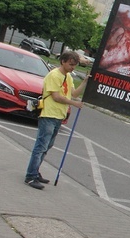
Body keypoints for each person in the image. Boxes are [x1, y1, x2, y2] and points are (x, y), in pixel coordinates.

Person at [24, 51, 87, 189]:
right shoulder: (54, 75)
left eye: (75, 65)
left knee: (46, 146)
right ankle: (30, 176)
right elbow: (56, 97)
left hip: (59, 116)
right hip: (49, 114)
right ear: (63, 61)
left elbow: (73, 93)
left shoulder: (68, 76)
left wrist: (85, 82)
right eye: (71, 64)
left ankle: (35, 172)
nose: (72, 68)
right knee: (41, 146)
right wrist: (74, 103)